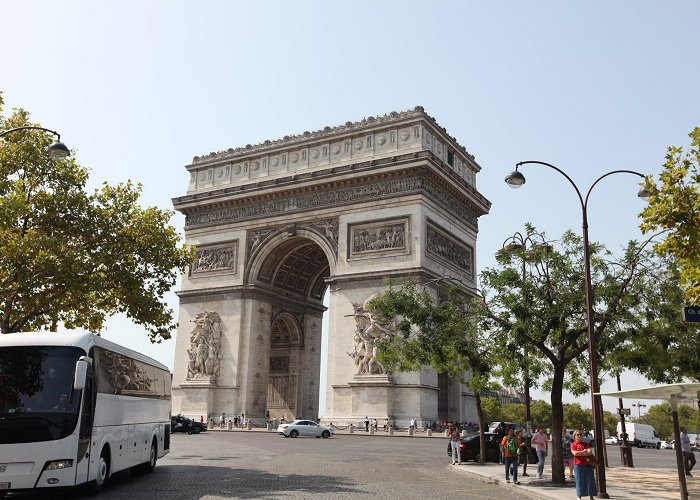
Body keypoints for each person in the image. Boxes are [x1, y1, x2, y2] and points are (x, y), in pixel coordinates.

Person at [570, 429, 597, 500]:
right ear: (574, 436)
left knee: (590, 480)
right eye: (577, 435)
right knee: (580, 480)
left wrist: (581, 453)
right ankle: (579, 496)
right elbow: (575, 453)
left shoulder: (586, 444)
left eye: (580, 434)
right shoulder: (573, 444)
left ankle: (591, 496)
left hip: (587, 464)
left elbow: (590, 452)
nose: (579, 436)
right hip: (578, 464)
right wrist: (583, 451)